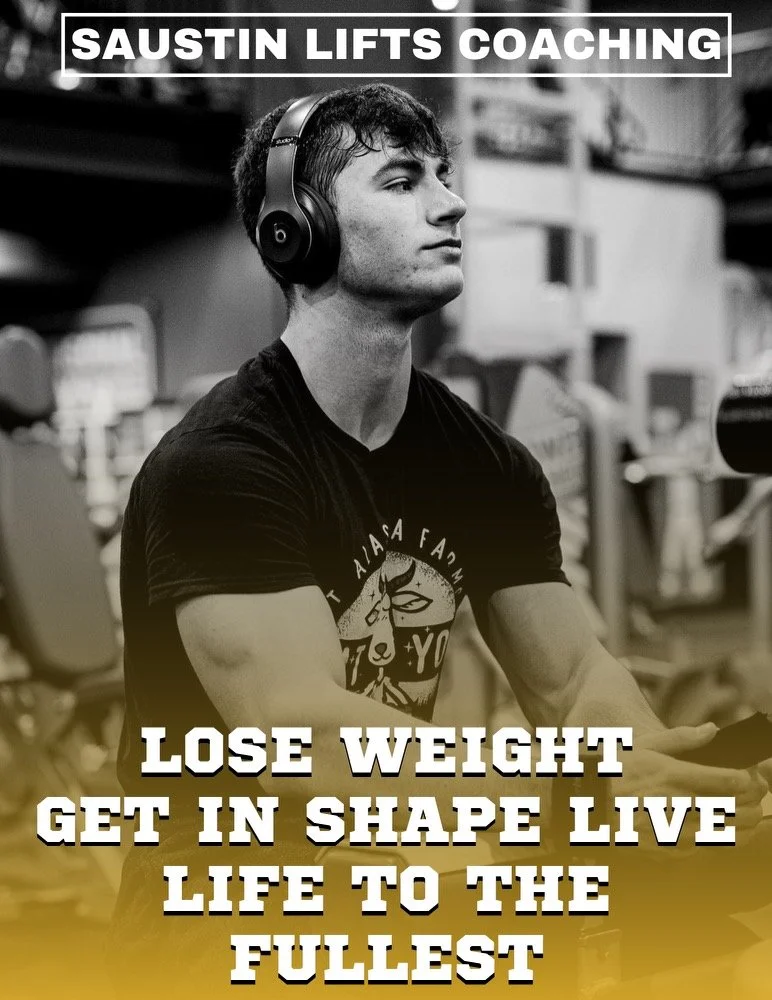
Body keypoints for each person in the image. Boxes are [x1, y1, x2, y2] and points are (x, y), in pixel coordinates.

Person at [110, 84, 767, 997]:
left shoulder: (485, 462)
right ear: (295, 229)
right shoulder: (222, 464)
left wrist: (651, 782)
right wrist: (574, 799)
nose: (451, 202)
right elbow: (307, 750)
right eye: (404, 179)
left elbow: (573, 680)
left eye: (446, 177)